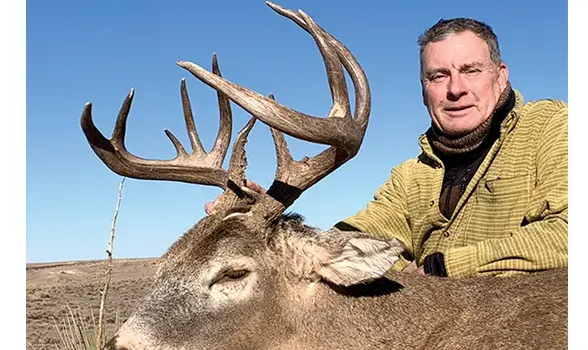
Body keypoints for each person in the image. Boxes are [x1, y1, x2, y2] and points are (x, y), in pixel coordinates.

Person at [206, 17, 568, 279]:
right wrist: (271, 220)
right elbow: (362, 237)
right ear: (424, 89)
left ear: (500, 76)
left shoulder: (552, 127)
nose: (455, 89)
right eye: (438, 76)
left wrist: (442, 268)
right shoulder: (412, 175)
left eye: (471, 70)